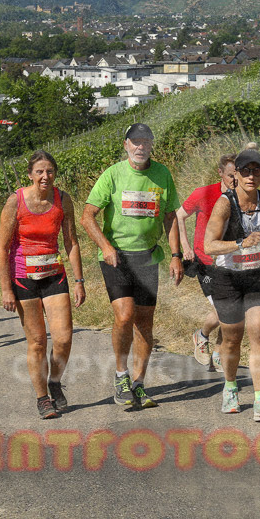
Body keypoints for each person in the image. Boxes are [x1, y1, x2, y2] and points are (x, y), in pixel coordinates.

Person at [81, 123, 184, 409]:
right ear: (126, 145)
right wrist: (105, 246)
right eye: (135, 142)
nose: (140, 147)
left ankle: (138, 383)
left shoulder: (162, 174)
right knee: (125, 316)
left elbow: (170, 216)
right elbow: (87, 216)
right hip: (117, 257)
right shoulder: (113, 174)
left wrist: (176, 255)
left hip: (148, 257)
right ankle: (121, 375)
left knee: (145, 323)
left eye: (145, 142)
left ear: (152, 145)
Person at [0, 151, 86, 419]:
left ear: (55, 173)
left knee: (63, 337)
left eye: (49, 171)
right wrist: (5, 288)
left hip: (54, 274)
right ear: (30, 175)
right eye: (39, 172)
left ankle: (55, 382)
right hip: (24, 277)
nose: (45, 176)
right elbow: (2, 248)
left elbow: (70, 241)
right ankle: (42, 399)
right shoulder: (16, 201)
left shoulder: (63, 199)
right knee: (37, 341)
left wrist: (79, 280)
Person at [204, 147, 260, 421]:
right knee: (231, 339)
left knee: (259, 331)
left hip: (259, 275)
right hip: (228, 278)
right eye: (246, 171)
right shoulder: (224, 204)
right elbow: (209, 245)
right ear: (236, 175)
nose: (251, 176)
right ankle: (230, 387)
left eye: (257, 171)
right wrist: (241, 243)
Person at [176, 153, 236, 369]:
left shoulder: (242, 195)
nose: (234, 180)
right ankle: (201, 336)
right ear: (220, 173)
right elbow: (179, 216)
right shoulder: (204, 193)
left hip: (232, 261)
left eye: (237, 175)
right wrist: (185, 247)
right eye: (230, 176)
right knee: (224, 310)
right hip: (206, 261)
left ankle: (219, 352)